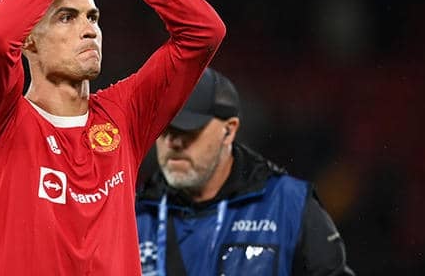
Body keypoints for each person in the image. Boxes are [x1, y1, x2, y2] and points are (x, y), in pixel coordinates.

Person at [0, 0, 226, 275]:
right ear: (28, 40)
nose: (89, 30)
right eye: (67, 17)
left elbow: (204, 33)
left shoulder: (124, 116)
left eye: (93, 17)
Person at [135, 68, 354, 275]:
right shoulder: (133, 213)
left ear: (228, 130)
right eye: (163, 128)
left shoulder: (287, 205)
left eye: (188, 129)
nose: (173, 142)